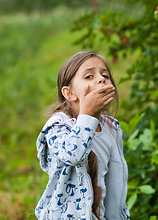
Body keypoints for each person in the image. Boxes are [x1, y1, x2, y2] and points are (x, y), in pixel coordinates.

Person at [35, 51, 130, 219]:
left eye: (105, 75)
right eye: (89, 76)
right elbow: (74, 154)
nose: (101, 79)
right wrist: (87, 115)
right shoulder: (57, 128)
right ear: (70, 93)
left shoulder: (110, 129)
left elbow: (115, 184)